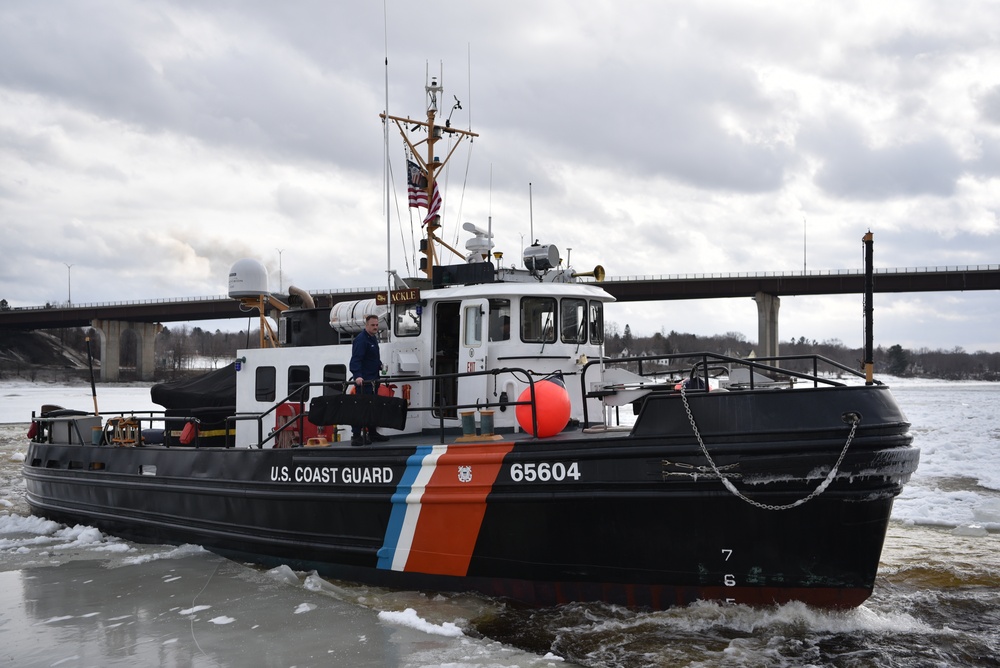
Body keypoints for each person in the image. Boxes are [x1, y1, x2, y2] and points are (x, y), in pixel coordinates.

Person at [349, 314, 389, 446]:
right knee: (361, 407)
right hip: (364, 381)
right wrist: (357, 376)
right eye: (372, 325)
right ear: (366, 325)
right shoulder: (361, 340)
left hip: (373, 379)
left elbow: (372, 358)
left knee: (372, 406)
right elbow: (356, 359)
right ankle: (355, 436)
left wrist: (380, 365)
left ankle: (372, 432)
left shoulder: (373, 339)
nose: (375, 327)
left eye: (377, 325)